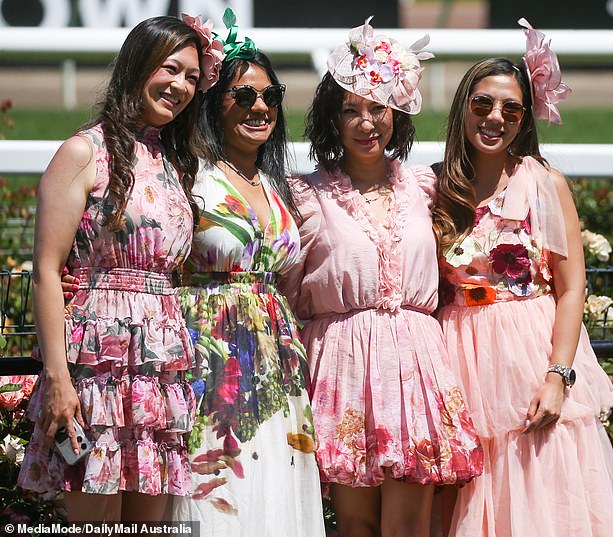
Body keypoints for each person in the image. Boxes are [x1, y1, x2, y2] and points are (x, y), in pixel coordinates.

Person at [280, 18, 483, 537]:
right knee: (355, 526)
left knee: (408, 526)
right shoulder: (306, 196)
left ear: (398, 113)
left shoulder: (425, 188)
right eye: (350, 109)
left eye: (377, 108)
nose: (366, 122)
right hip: (344, 364)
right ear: (332, 118)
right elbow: (286, 293)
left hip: (417, 364)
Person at [432, 19, 613, 537]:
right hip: (459, 359)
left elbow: (571, 289)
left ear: (524, 120)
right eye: (482, 104)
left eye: (511, 109)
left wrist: (557, 375)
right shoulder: (434, 186)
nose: (495, 117)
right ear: (463, 108)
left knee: (536, 493)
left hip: (529, 356)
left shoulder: (542, 183)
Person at [18, 15, 223, 522]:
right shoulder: (82, 152)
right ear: (137, 64)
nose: (180, 86)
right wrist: (59, 379)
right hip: (95, 370)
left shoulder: (176, 162)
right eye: (170, 69)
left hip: (157, 374)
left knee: (146, 529)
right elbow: (46, 271)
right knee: (99, 526)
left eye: (192, 77)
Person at [170, 10, 325, 536]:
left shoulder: (276, 182)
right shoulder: (190, 176)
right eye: (243, 96)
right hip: (207, 357)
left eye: (271, 96)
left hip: (274, 361)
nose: (260, 107)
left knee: (273, 484)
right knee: (219, 490)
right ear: (215, 104)